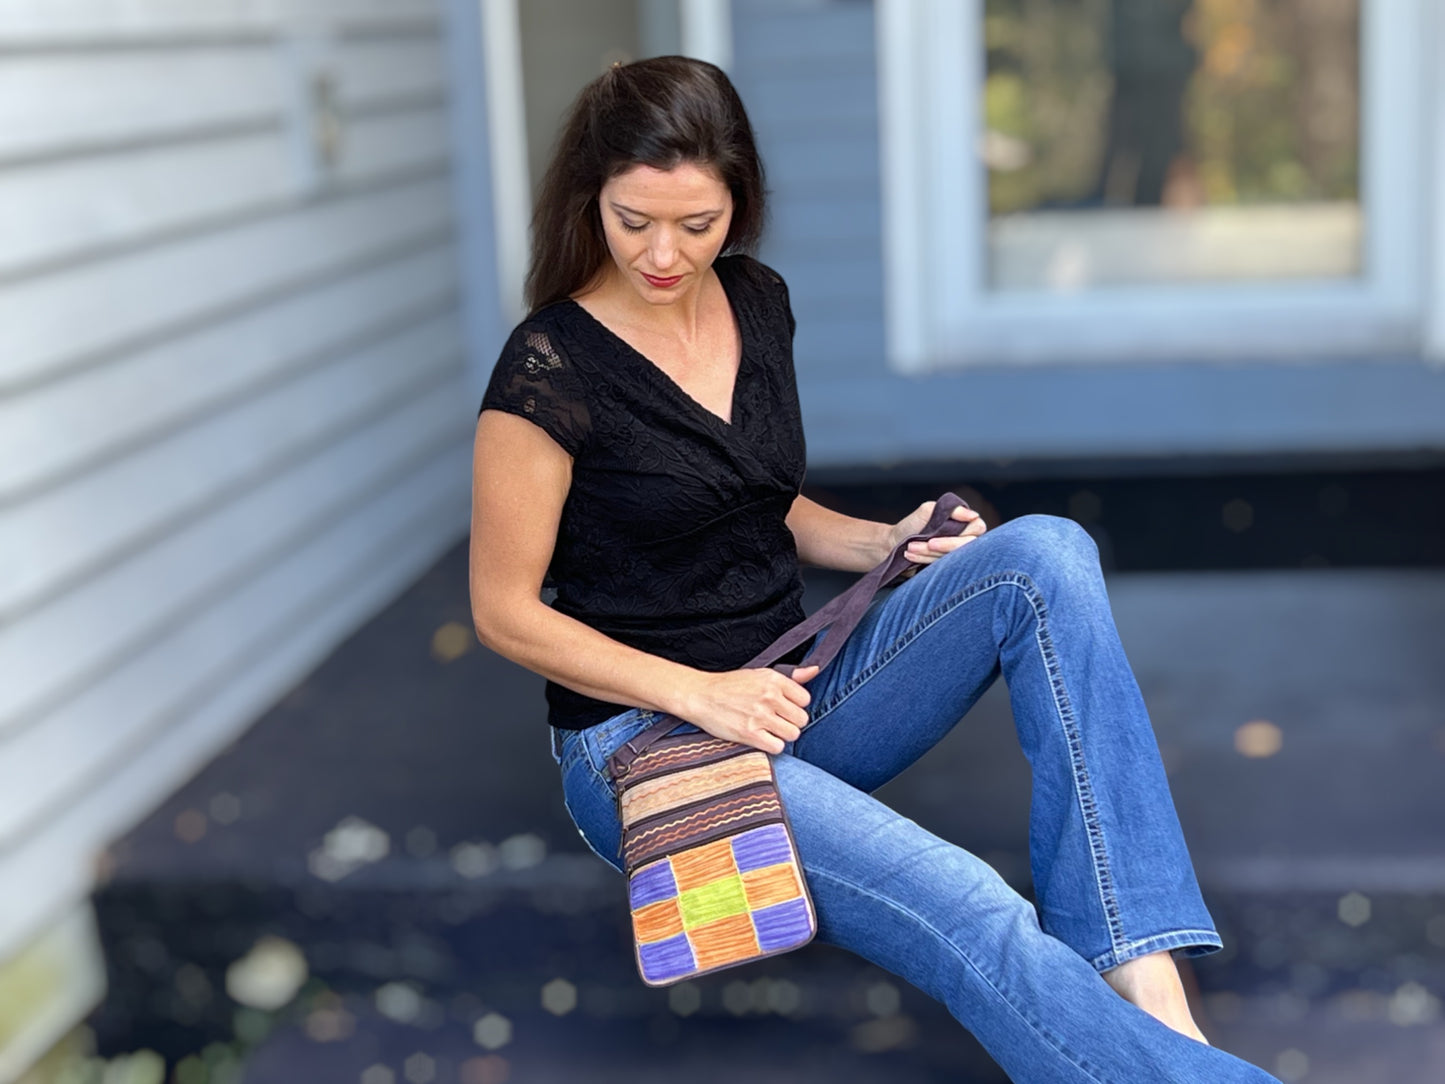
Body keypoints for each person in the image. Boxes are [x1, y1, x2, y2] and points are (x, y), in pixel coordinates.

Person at [469, 55, 1281, 1083]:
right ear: (592, 196)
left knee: (1040, 556)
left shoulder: (756, 302)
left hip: (793, 688)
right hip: (647, 742)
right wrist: (701, 694)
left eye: (697, 222)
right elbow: (499, 610)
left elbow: (752, 499)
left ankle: (1144, 976)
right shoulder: (548, 366)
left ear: (739, 202)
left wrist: (883, 542)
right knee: (970, 905)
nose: (665, 253)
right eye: (634, 222)